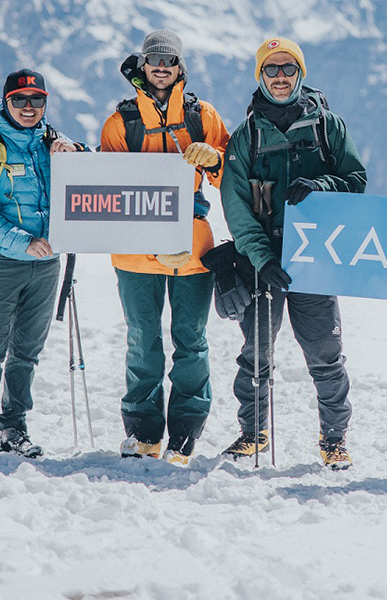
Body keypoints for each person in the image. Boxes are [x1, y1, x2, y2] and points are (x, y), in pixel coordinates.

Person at [220, 36, 367, 469]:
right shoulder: (245, 136)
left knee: (324, 351)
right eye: (271, 69)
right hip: (262, 260)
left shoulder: (328, 127)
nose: (280, 77)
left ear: (300, 72)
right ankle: (252, 433)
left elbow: (355, 179)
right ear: (260, 75)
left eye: (287, 68)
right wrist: (261, 259)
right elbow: (236, 206)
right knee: (256, 351)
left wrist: (322, 186)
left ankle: (334, 438)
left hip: (315, 257)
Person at [100, 30, 231, 465]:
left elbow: (233, 171)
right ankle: (143, 431)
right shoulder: (120, 121)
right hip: (136, 253)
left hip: (192, 250)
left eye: (169, 59)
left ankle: (186, 432)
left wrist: (214, 159)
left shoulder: (203, 116)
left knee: (191, 340)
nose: (161, 66)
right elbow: (107, 190)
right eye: (153, 59)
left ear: (180, 67)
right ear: (142, 65)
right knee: (143, 340)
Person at [0, 68, 84, 460]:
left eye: (37, 100)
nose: (29, 107)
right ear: (6, 102)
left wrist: (77, 153)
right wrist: (23, 242)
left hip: (46, 264)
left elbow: (86, 181)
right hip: (1, 261)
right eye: (20, 100)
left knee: (27, 350)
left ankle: (13, 426)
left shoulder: (51, 142)